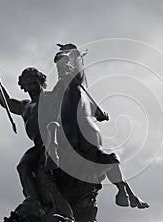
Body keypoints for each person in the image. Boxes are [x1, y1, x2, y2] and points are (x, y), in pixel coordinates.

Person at [53, 43, 149, 209]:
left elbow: (71, 66)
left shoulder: (77, 85)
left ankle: (125, 191)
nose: (61, 71)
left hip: (82, 130)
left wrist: (71, 50)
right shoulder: (61, 89)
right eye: (59, 69)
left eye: (64, 67)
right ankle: (126, 192)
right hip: (66, 130)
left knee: (105, 158)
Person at [0, 65, 74, 221]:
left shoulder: (51, 97)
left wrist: (66, 64)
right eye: (29, 84)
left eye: (35, 83)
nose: (33, 87)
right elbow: (5, 101)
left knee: (44, 173)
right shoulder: (25, 106)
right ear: (24, 87)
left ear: (41, 82)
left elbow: (64, 84)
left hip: (54, 141)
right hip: (38, 146)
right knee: (23, 166)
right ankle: (34, 202)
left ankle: (63, 209)